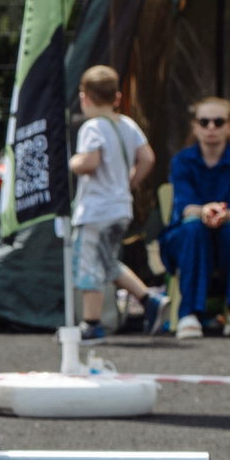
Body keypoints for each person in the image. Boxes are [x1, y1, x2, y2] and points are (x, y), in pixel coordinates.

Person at [67, 65, 158, 341]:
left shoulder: (92, 127)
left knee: (88, 264)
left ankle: (91, 323)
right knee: (108, 262)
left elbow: (90, 162)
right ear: (117, 97)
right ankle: (149, 299)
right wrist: (129, 182)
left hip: (95, 210)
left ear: (85, 97)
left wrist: (73, 162)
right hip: (120, 208)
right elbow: (148, 158)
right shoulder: (127, 124)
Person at [161, 97, 230, 339]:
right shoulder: (182, 161)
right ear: (195, 126)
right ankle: (189, 314)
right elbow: (185, 207)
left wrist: (219, 214)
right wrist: (205, 212)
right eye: (204, 122)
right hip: (187, 240)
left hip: (229, 238)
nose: (211, 127)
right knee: (194, 229)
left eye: (218, 122)